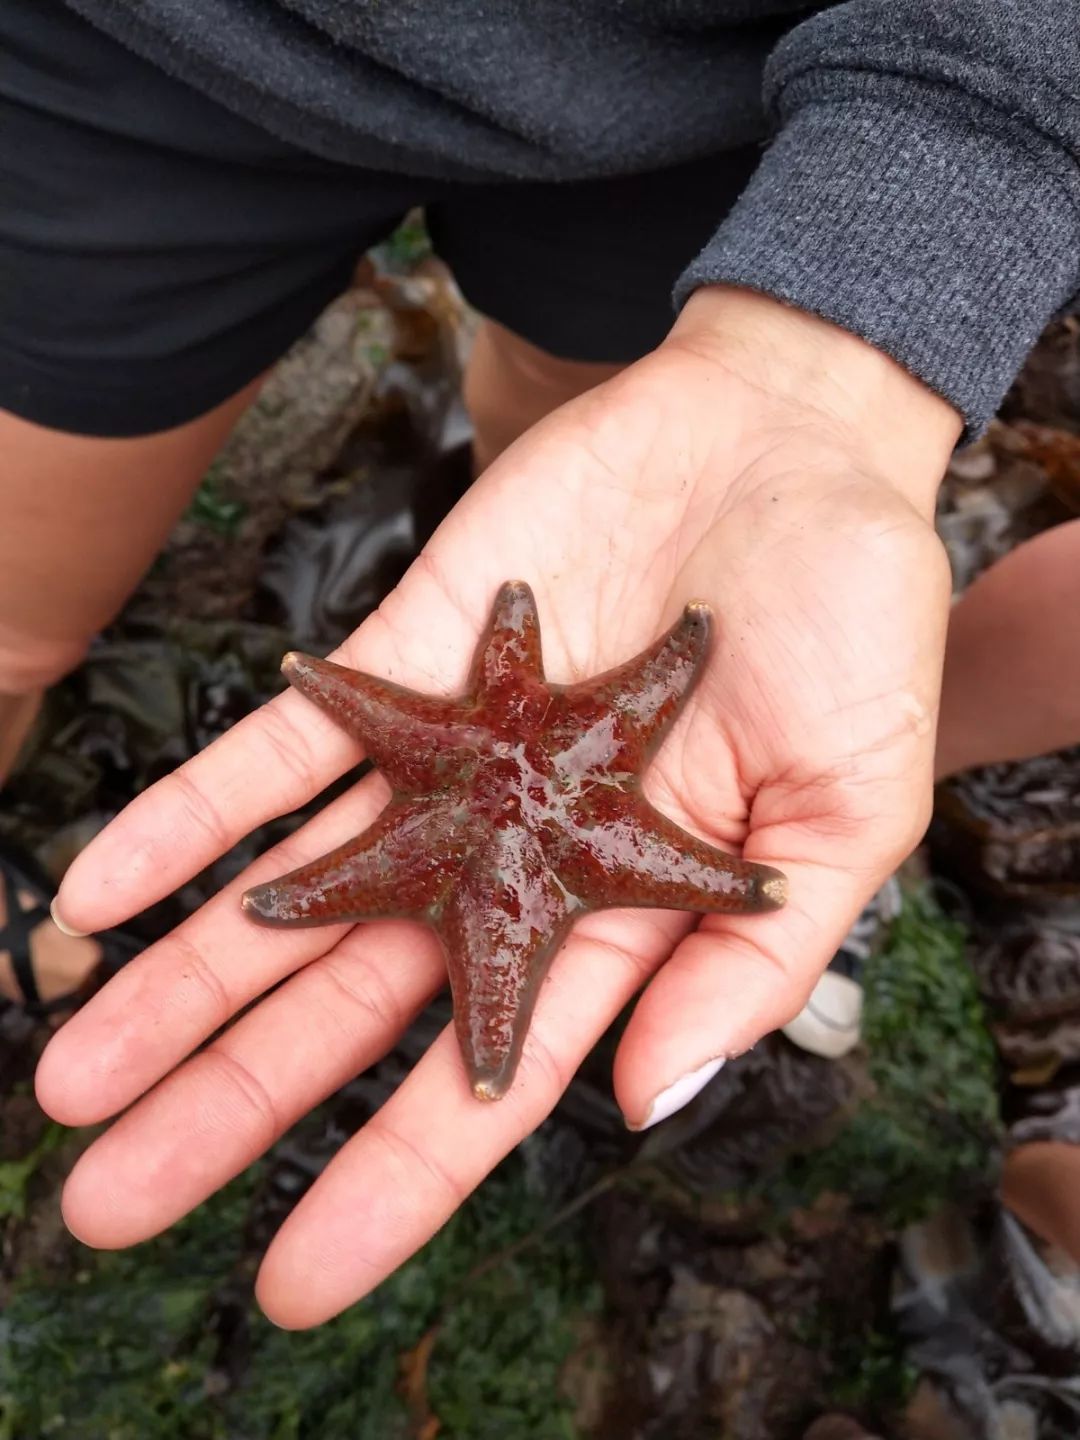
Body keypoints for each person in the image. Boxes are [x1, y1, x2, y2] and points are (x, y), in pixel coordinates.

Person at [1, 0, 1078, 1328]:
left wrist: (855, 321)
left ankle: (501, 497)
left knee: (579, 431)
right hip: (150, 48)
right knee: (14, 622)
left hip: (694, 97)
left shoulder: (547, 767)